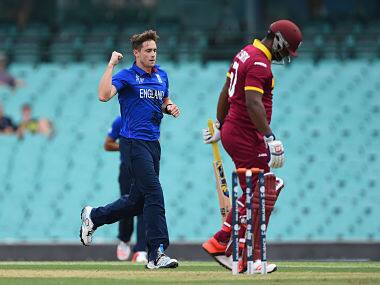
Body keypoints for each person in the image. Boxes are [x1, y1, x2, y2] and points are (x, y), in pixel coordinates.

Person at [202, 20, 302, 273]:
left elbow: (226, 92)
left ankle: (233, 249)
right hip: (247, 135)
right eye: (286, 49)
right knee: (262, 191)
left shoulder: (245, 52)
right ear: (277, 39)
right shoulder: (259, 62)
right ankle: (243, 254)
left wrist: (221, 126)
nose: (284, 55)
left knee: (256, 192)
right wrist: (270, 136)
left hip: (237, 131)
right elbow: (252, 103)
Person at [80, 30, 180, 269]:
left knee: (137, 202)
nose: (153, 54)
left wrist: (170, 107)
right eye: (148, 50)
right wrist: (111, 65)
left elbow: (163, 99)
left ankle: (94, 216)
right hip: (133, 143)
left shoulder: (162, 76)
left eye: (155, 50)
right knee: (155, 193)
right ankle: (156, 253)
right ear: (136, 53)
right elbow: (103, 95)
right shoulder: (126, 76)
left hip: (154, 144)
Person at [104, 115, 147, 262]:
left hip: (145, 168)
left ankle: (141, 250)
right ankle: (124, 238)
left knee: (144, 207)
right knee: (128, 204)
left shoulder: (148, 117)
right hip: (127, 170)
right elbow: (108, 144)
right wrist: (125, 146)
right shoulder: (120, 121)